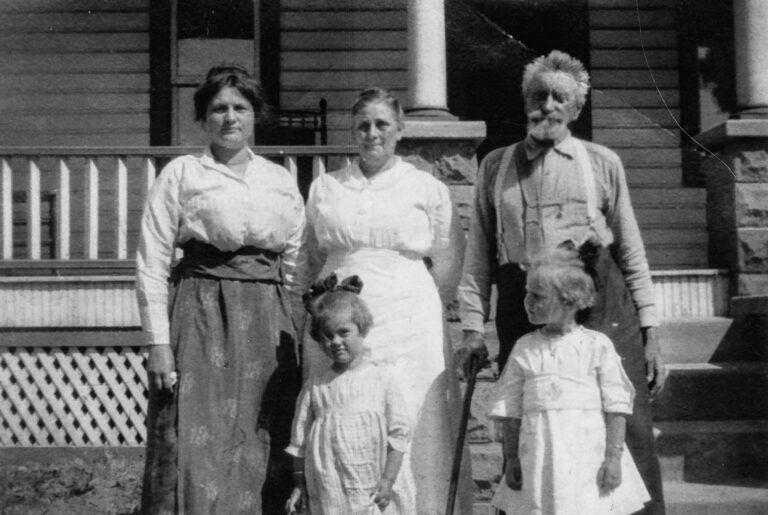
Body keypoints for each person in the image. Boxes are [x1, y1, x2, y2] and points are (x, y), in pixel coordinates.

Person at [459, 50, 666, 514]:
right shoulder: (495, 166)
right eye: (538, 95)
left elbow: (631, 251)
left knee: (623, 422)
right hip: (525, 303)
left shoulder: (602, 162)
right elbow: (478, 258)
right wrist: (473, 329)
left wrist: (651, 331)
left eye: (559, 97)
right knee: (536, 424)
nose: (547, 105)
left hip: (602, 303)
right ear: (525, 103)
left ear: (575, 109)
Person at [136, 64, 305, 514]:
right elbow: (151, 261)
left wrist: (299, 333)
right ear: (203, 117)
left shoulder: (280, 179)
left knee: (263, 436)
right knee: (199, 440)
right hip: (200, 311)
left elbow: (296, 263)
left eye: (241, 107)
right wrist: (157, 343)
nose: (230, 117)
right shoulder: (181, 174)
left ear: (255, 115)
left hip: (266, 319)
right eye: (219, 108)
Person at [297, 87, 472, 513]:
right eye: (363, 125)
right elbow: (308, 255)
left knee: (409, 414)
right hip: (340, 318)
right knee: (344, 412)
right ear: (352, 131)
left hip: (407, 315)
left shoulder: (425, 186)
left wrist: (424, 304)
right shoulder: (326, 186)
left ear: (400, 130)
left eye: (381, 124)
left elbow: (448, 255)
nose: (372, 133)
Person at [489, 245, 650, 514]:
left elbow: (616, 406)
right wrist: (512, 457)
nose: (527, 301)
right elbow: (510, 408)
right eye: (526, 293)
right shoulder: (524, 348)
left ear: (569, 300)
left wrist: (613, 457)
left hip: (586, 456)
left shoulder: (596, 346)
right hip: (539, 456)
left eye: (537, 295)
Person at [284, 275, 416, 514]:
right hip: (329, 487)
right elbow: (299, 443)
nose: (335, 342)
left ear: (361, 329)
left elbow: (399, 435)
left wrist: (387, 481)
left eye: (343, 332)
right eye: (327, 336)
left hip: (373, 486)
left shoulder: (382, 378)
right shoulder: (316, 386)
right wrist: (299, 486)